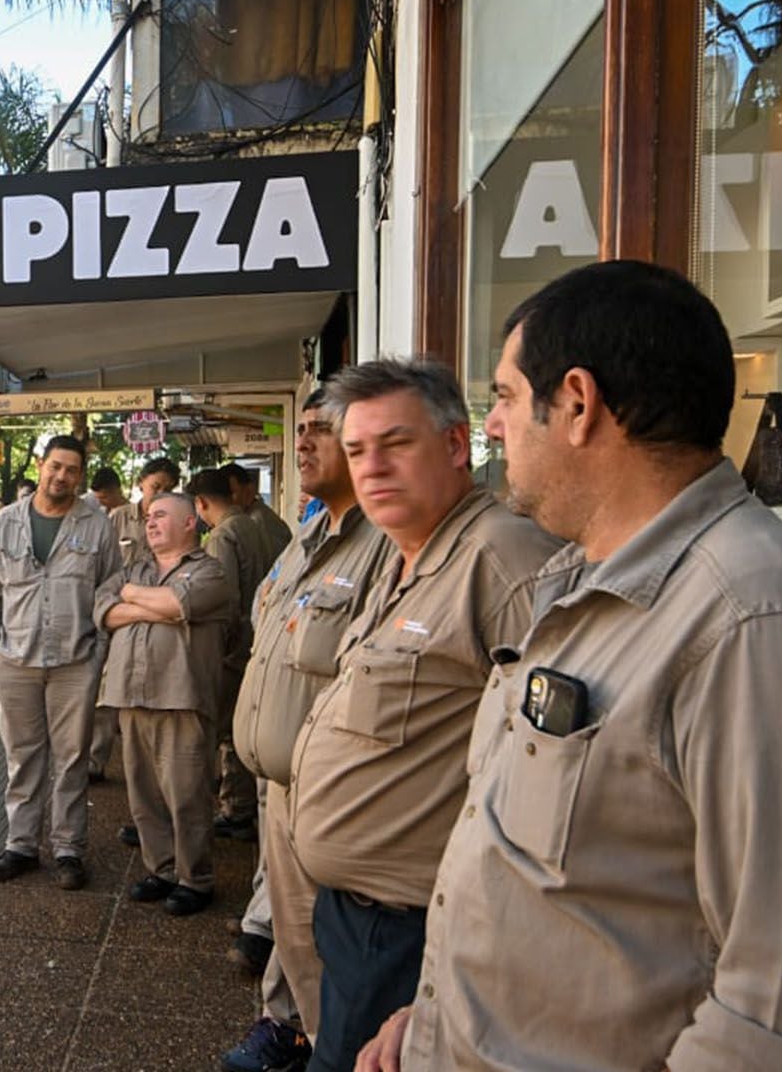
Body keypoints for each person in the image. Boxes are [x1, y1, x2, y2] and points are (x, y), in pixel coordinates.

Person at [357, 262, 782, 1072]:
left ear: (580, 405)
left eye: (508, 398)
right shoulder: (586, 586)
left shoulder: (768, 621)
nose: (491, 428)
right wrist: (438, 1019)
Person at [281, 360, 559, 1071]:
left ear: (457, 445)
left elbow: (558, 793)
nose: (371, 467)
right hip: (360, 923)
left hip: (416, 937)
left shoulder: (504, 561)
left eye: (395, 444)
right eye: (356, 449)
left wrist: (453, 980)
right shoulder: (404, 556)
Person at [219, 395, 393, 1072]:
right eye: (303, 429)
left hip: (335, 792)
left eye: (323, 429)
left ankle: (324, 1046)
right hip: (281, 786)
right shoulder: (308, 538)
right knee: (293, 934)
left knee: (330, 950)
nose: (304, 440)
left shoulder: (386, 545)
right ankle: (287, 1029)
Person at [0, 436, 123, 892]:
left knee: (72, 758)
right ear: (41, 466)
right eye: (55, 466)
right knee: (22, 757)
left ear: (80, 476)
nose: (62, 476)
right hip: (15, 659)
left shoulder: (97, 526)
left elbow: (110, 587)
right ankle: (21, 844)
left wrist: (96, 652)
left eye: (72, 470)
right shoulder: (7, 522)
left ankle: (67, 849)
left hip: (74, 661)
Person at [94, 492, 233, 916]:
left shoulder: (210, 570)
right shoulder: (134, 566)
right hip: (129, 693)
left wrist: (132, 596)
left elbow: (179, 603)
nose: (150, 523)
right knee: (143, 793)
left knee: (186, 794)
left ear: (190, 522)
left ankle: (195, 878)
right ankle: (162, 869)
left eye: (160, 516)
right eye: (147, 517)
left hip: (180, 696)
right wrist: (151, 606)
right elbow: (103, 610)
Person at [186, 466, 273, 842]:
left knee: (224, 731)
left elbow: (222, 599)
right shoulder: (261, 524)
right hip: (260, 640)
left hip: (234, 648)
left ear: (202, 503)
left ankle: (235, 806)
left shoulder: (223, 536)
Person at [95, 455, 181, 782]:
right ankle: (95, 760)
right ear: (141, 483)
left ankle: (148, 770)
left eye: (168, 489)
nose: (159, 493)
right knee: (104, 688)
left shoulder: (174, 522)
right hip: (117, 614)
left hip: (156, 617)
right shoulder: (116, 519)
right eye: (155, 486)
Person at [225, 461, 294, 562]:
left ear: (249, 491)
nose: (226, 500)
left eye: (232, 493)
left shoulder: (257, 521)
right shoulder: (251, 517)